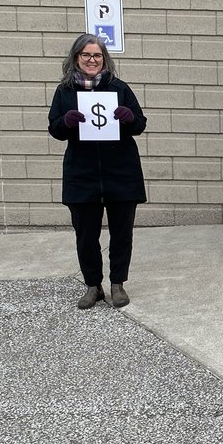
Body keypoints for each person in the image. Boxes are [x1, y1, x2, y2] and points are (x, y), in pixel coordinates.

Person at [47, 34, 147, 309]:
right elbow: (54, 129)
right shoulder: (65, 92)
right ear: (76, 58)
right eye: (86, 55)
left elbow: (139, 124)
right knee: (86, 235)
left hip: (120, 172)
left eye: (97, 55)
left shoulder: (119, 88)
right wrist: (66, 122)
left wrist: (128, 117)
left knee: (121, 232)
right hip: (83, 174)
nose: (92, 60)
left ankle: (118, 283)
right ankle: (93, 285)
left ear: (105, 59)